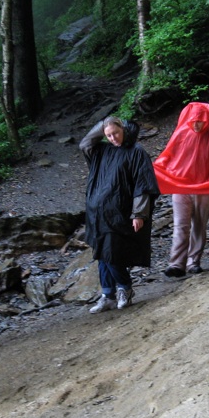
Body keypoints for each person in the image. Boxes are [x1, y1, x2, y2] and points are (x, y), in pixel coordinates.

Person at [79, 116, 160, 313]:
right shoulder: (102, 150)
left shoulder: (136, 152)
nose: (113, 138)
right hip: (98, 214)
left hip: (120, 213)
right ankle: (108, 295)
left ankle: (125, 288)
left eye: (116, 133)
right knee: (102, 253)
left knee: (111, 253)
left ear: (123, 129)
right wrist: (104, 123)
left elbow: (143, 184)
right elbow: (85, 144)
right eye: (108, 135)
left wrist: (139, 214)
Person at [153, 102, 209, 277]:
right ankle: (177, 264)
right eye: (193, 121)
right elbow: (168, 154)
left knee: (199, 224)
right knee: (180, 224)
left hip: (205, 185)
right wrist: (158, 167)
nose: (196, 124)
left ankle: (194, 262)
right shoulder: (182, 133)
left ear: (207, 120)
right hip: (181, 184)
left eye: (200, 121)